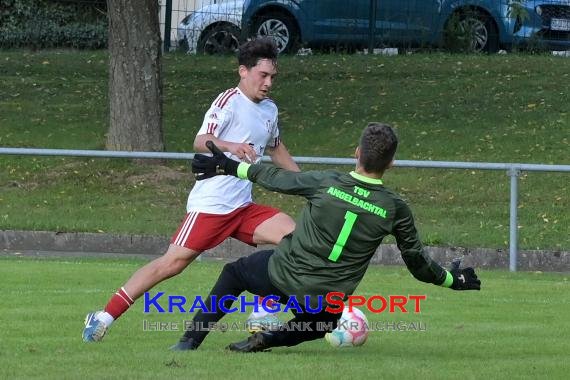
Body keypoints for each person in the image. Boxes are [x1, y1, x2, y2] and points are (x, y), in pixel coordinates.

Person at [170, 122, 481, 352]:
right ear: (390, 163)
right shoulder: (394, 208)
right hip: (326, 298)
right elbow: (417, 262)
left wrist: (228, 165)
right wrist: (451, 280)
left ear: (357, 153)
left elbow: (277, 178)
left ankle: (188, 341)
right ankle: (268, 339)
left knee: (234, 274)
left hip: (284, 275)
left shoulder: (328, 182)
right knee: (325, 322)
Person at [82, 37, 300, 343]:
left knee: (297, 242)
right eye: (262, 75)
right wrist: (230, 146)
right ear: (243, 71)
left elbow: (277, 149)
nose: (268, 83)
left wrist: (309, 185)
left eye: (272, 77)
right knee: (170, 264)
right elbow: (201, 141)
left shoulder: (270, 110)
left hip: (243, 207)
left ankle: (262, 311)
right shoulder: (227, 101)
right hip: (212, 206)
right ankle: (103, 317)